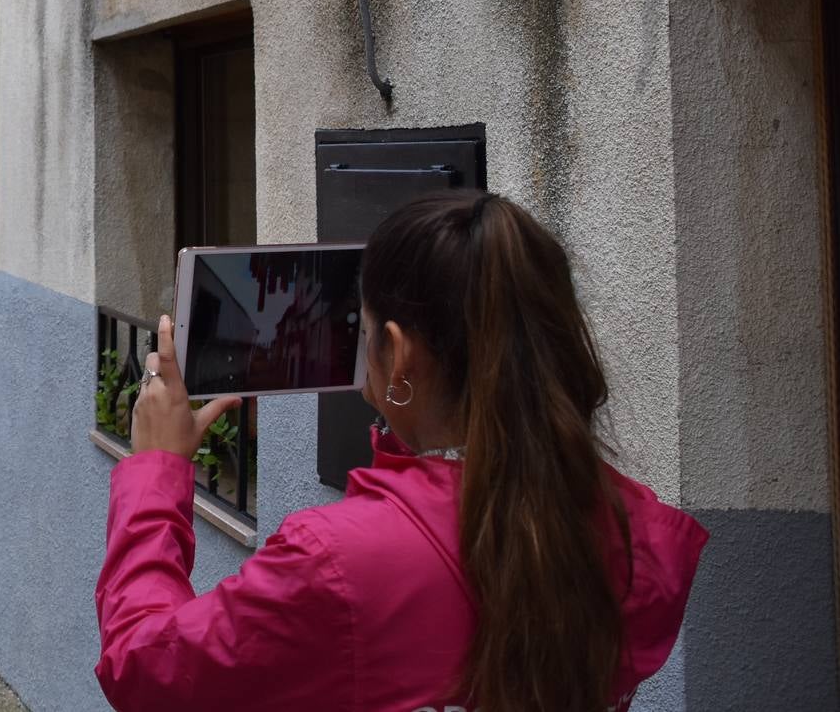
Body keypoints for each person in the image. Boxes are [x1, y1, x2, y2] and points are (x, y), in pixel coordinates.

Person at [97, 190, 707, 712]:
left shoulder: (334, 562)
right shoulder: (635, 532)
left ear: (400, 352)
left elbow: (145, 668)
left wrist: (157, 469)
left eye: (362, 335)